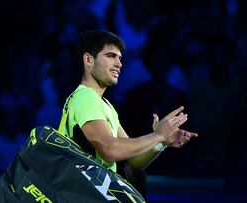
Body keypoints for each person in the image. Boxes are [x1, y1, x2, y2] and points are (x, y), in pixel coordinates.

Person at [58, 30, 198, 197]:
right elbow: (110, 149)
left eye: (119, 58)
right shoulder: (86, 97)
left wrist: (162, 143)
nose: (119, 64)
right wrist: (158, 135)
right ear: (88, 59)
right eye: (110, 56)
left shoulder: (105, 105)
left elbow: (131, 162)